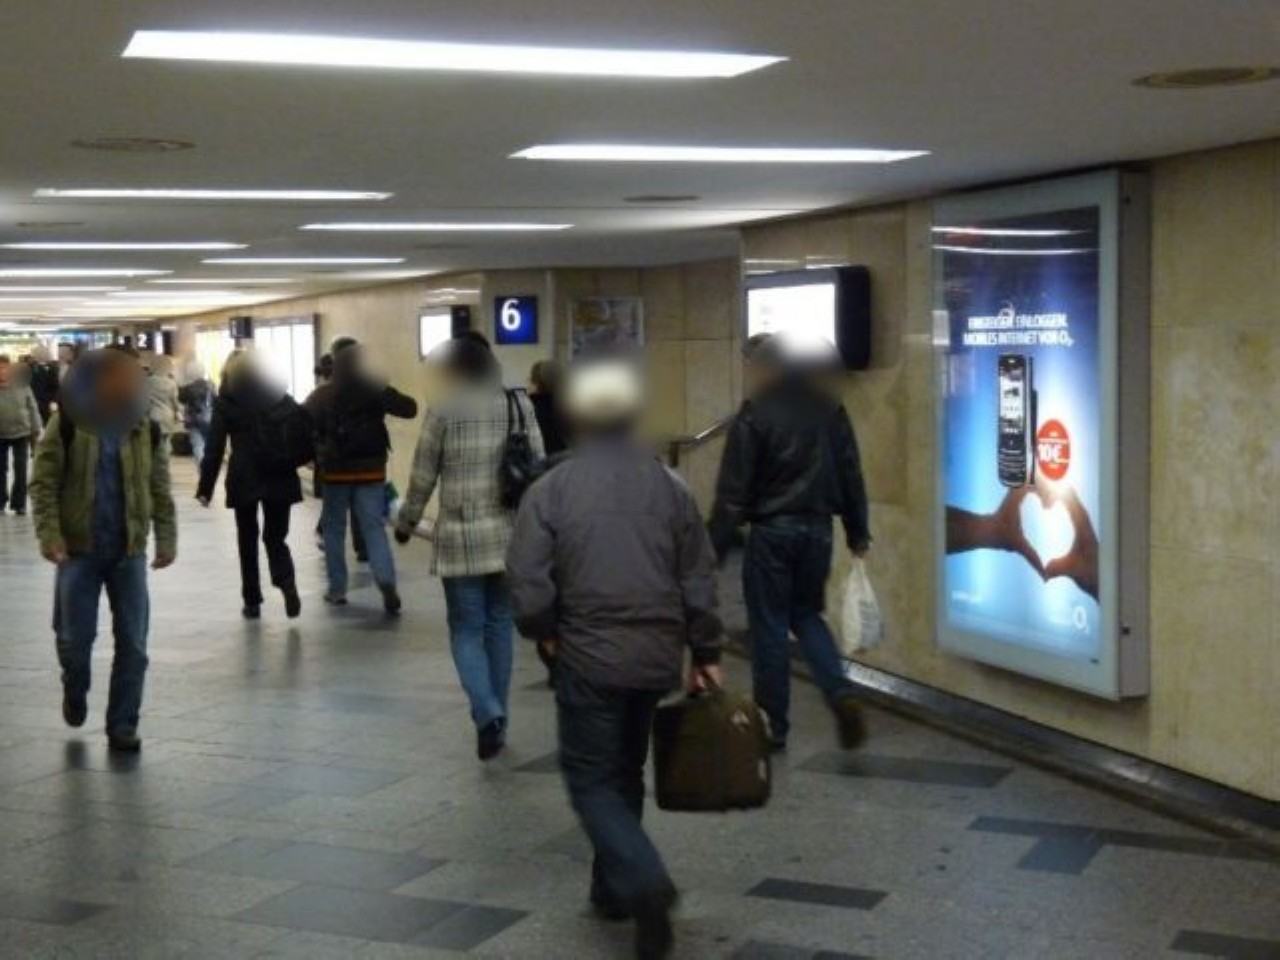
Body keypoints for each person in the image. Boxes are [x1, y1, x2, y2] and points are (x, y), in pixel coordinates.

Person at [507, 358, 721, 960]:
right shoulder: (671, 488)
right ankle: (612, 888)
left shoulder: (551, 490)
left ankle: (646, 882)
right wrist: (706, 649)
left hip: (588, 655)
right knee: (625, 770)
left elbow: (527, 577)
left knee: (590, 779)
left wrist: (545, 631)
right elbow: (698, 575)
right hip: (655, 656)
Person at [707, 336, 871, 753]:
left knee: (770, 628)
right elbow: (851, 472)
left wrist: (713, 550)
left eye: (753, 367)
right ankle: (839, 691)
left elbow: (732, 493)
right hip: (818, 530)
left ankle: (773, 726)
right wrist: (857, 530)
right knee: (807, 614)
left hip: (772, 533)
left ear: (767, 368)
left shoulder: (755, 415)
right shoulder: (829, 408)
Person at [395, 337, 544, 760]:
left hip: (461, 535)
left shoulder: (444, 408)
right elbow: (539, 466)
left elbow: (423, 474)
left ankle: (486, 711)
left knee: (465, 629)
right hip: (509, 533)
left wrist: (407, 522)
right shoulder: (518, 403)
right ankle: (500, 718)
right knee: (499, 624)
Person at [29, 346, 177, 753]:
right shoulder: (69, 422)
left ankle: (123, 724)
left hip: (129, 551)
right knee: (74, 641)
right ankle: (74, 687)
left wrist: (166, 538)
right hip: (78, 551)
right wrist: (50, 534)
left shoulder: (145, 426)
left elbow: (159, 486)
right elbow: (43, 483)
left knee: (134, 644)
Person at [305, 337, 417, 612]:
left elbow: (302, 423)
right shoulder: (373, 388)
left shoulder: (323, 394)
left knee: (334, 529)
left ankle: (337, 590)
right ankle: (386, 580)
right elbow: (410, 408)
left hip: (335, 472)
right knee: (373, 528)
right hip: (371, 470)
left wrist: (312, 452)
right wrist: (383, 386)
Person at [197, 353, 307, 620]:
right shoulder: (278, 394)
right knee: (275, 537)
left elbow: (214, 447)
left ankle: (252, 600)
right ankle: (285, 580)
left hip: (244, 475)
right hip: (279, 472)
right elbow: (300, 426)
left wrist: (206, 488)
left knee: (247, 540)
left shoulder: (227, 401)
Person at [310, 352, 367, 561]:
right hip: (350, 456)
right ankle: (362, 547)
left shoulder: (319, 395)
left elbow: (306, 425)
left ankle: (327, 536)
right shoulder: (355, 390)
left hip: (332, 459)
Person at [0, 354, 43, 516]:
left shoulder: (22, 385)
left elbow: (32, 407)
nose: (2, 371)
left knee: (21, 469)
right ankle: (0, 501)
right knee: (0, 469)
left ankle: (19, 504)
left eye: (4, 368)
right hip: (1, 434)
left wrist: (36, 428)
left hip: (21, 433)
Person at [178, 360, 215, 467]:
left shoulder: (187, 388)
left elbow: (181, 400)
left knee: (198, 446)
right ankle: (209, 468)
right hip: (210, 418)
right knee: (208, 446)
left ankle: (203, 468)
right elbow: (215, 400)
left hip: (194, 420)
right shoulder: (211, 385)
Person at [529, 359, 569, 456]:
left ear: (535, 382)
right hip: (567, 459)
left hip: (540, 460)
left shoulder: (528, 406)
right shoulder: (570, 406)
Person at [145, 354, 181, 439]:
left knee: (153, 441)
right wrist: (177, 412)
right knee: (166, 441)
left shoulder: (147, 381)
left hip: (152, 415)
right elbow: (175, 401)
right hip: (167, 415)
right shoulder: (172, 383)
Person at [26, 344, 61, 423]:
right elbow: (36, 388)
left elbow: (56, 385)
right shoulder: (32, 369)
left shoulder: (53, 367)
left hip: (50, 402)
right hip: (42, 403)